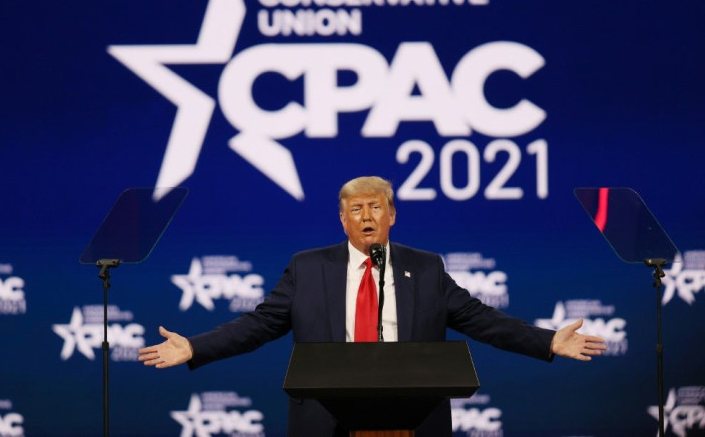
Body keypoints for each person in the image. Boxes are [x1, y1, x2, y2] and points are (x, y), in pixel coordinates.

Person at [139, 176, 606, 436]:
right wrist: (195, 348)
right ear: (342, 219)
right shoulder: (307, 267)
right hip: (326, 415)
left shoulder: (424, 267)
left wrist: (546, 341)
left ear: (392, 215)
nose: (367, 217)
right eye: (356, 209)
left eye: (376, 207)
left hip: (412, 415)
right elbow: (260, 325)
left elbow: (480, 319)